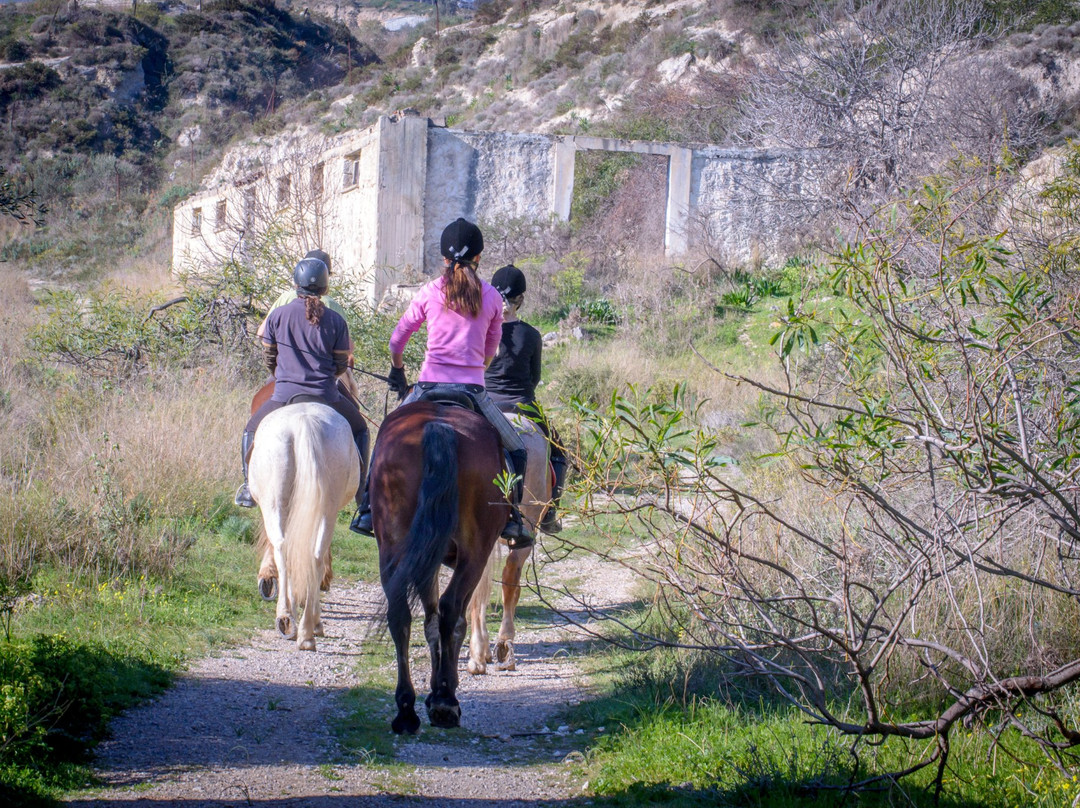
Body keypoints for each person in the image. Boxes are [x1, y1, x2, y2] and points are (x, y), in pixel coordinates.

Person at [350, 218, 533, 545]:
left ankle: (366, 507)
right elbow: (489, 353)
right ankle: (512, 516)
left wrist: (398, 369)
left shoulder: (430, 291)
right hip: (473, 392)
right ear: (479, 257)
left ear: (444, 259)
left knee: (383, 439)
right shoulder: (491, 297)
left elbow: (397, 339)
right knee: (517, 448)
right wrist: (474, 366)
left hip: (427, 387)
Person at [234, 256, 369, 512]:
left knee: (250, 429)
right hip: (326, 394)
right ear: (325, 287)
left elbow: (269, 358)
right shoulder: (336, 320)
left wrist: (283, 373)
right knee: (361, 429)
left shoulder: (277, 315)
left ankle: (246, 486)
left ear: (296, 284)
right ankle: (362, 492)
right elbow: (341, 364)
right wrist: (328, 374)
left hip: (284, 394)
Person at [485, 264, 567, 533]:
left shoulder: (483, 328)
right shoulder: (531, 335)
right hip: (522, 404)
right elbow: (534, 378)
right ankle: (549, 513)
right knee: (559, 450)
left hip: (486, 404)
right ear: (521, 299)